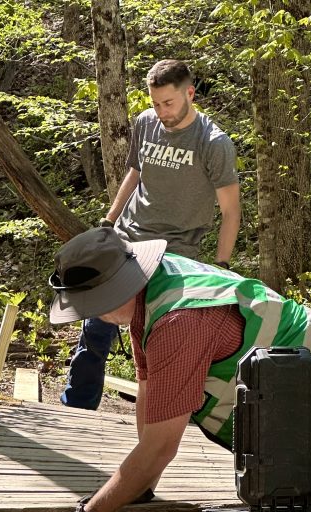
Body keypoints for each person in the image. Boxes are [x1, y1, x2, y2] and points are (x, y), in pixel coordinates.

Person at [37, 227, 311, 512]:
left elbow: (160, 445)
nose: (92, 314)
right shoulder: (153, 292)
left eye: (90, 304)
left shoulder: (179, 321)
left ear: (114, 292)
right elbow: (149, 394)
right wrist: (139, 488)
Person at [64, 59, 241, 409]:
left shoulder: (213, 143)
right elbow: (134, 174)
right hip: (128, 236)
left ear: (190, 93)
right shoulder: (146, 123)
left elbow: (231, 211)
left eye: (169, 103)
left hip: (175, 252)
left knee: (160, 337)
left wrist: (222, 264)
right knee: (97, 322)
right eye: (155, 103)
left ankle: (164, 418)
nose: (161, 111)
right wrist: (109, 219)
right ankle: (77, 407)